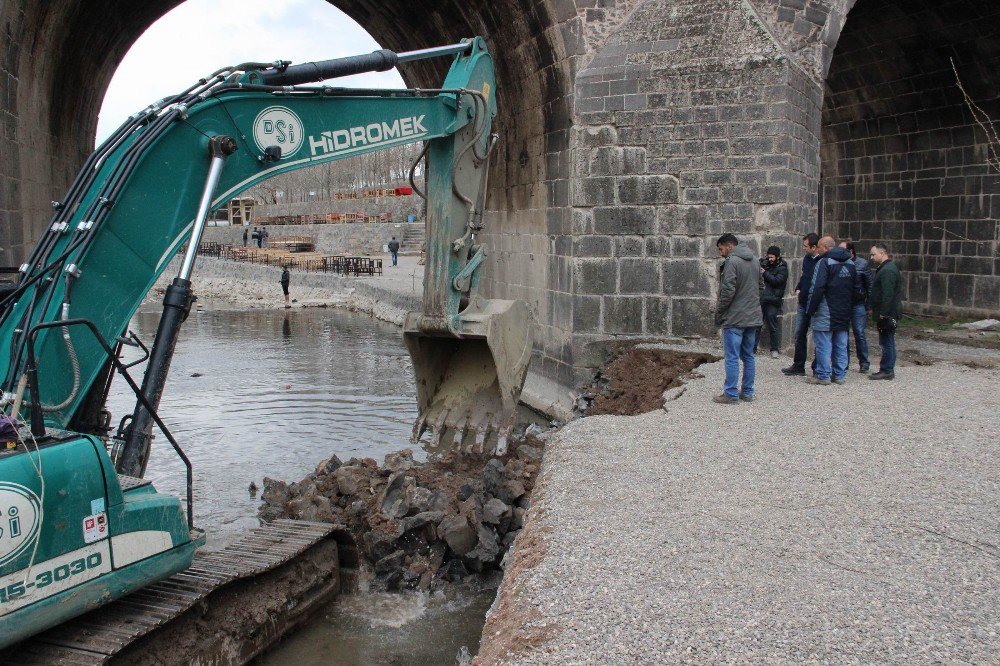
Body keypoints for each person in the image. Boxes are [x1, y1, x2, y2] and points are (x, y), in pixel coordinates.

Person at [712, 233, 763, 404]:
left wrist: (719, 313)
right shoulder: (755, 260)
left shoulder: (732, 262)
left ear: (729, 246)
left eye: (721, 249)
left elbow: (727, 292)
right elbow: (760, 286)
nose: (721, 253)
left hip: (735, 318)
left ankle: (731, 394)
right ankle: (747, 392)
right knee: (748, 355)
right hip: (753, 316)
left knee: (732, 356)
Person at [805, 236, 859, 385]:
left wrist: (811, 309)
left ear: (826, 248)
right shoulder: (851, 263)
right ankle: (840, 375)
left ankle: (823, 375)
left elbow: (817, 288)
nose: (818, 249)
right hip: (844, 309)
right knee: (841, 343)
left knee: (823, 343)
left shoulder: (824, 262)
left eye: (820, 247)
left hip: (826, 308)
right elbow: (856, 288)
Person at [782, 233, 821, 376]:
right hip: (803, 302)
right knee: (799, 334)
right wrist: (798, 288)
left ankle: (818, 367)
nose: (804, 249)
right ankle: (798, 365)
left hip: (814, 303)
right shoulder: (807, 259)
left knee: (818, 336)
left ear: (814, 247)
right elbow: (805, 277)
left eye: (806, 246)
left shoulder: (822, 261)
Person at [868, 242, 902, 380]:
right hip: (887, 311)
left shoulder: (887, 270)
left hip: (887, 313)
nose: (871, 257)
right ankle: (887, 368)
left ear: (882, 253)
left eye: (873, 254)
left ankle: (887, 369)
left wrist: (883, 313)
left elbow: (887, 294)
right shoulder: (886, 268)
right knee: (887, 341)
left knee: (887, 341)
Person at [839, 241, 871, 372]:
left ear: (851, 251)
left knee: (859, 333)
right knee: (843, 334)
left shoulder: (862, 264)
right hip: (844, 304)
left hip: (858, 304)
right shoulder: (839, 263)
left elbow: (869, 285)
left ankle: (864, 362)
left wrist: (868, 305)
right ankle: (844, 362)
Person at [757, 245, 788, 358]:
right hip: (763, 298)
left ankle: (774, 349)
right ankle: (752, 348)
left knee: (772, 325)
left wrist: (765, 273)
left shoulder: (783, 268)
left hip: (773, 300)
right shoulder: (766, 264)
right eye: (769, 257)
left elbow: (777, 281)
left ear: (777, 257)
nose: (770, 259)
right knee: (757, 324)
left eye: (772, 257)